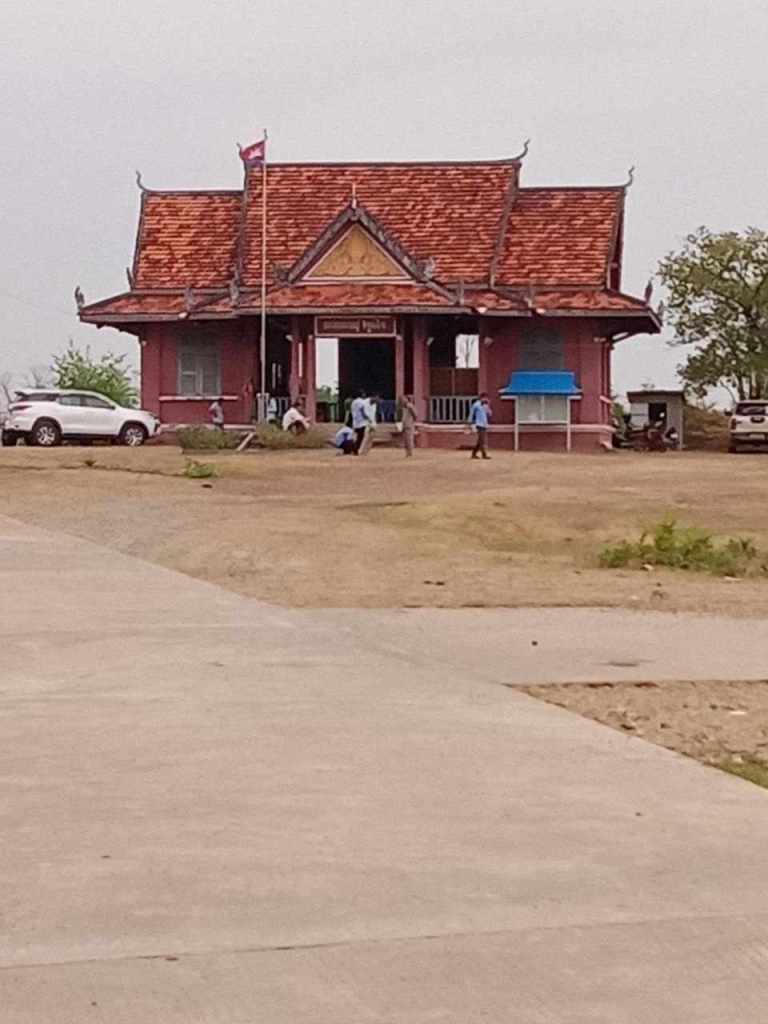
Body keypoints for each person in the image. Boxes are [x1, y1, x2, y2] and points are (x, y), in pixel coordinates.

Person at [468, 393, 491, 459]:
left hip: (484, 424)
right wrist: (469, 422)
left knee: (480, 440)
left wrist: (488, 406)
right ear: (481, 398)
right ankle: (484, 455)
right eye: (485, 398)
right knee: (482, 440)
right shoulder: (476, 404)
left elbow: (489, 414)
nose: (486, 399)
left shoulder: (485, 405)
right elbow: (471, 413)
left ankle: (473, 454)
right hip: (479, 424)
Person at [350, 390, 371, 454]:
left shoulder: (353, 402)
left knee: (356, 436)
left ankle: (354, 447)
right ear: (362, 394)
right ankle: (355, 449)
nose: (365, 395)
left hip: (355, 421)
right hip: (361, 422)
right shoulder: (361, 402)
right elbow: (362, 411)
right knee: (360, 437)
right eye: (364, 394)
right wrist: (367, 417)